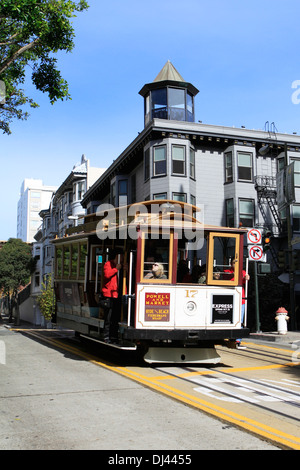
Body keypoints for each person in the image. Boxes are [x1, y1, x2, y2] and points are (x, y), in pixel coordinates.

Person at [225, 259, 250, 349]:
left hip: (240, 299)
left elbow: (244, 281)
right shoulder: (227, 272)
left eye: (237, 263)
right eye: (234, 263)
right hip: (230, 299)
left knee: (240, 319)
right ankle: (230, 337)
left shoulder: (242, 272)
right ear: (231, 264)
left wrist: (246, 278)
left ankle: (238, 340)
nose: (235, 265)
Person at [102, 250, 123, 343]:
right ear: (117, 257)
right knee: (108, 317)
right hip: (109, 295)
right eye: (121, 257)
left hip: (117, 295)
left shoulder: (121, 265)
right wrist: (116, 269)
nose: (122, 259)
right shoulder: (108, 264)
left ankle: (114, 336)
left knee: (116, 317)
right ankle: (106, 336)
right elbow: (107, 275)